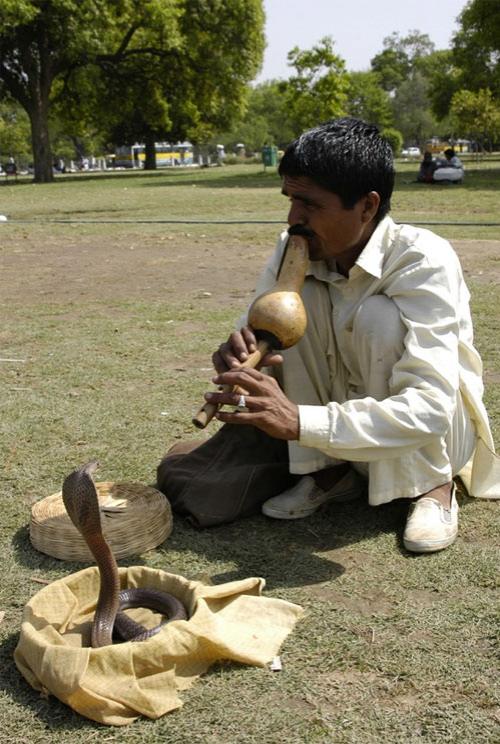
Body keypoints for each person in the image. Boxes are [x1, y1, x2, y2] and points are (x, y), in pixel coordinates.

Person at [159, 118, 499, 552]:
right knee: (291, 312)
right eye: (289, 200)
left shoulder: (421, 260)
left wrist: (299, 421)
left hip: (435, 436)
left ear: (367, 206)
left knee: (379, 316)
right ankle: (328, 471)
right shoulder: (294, 247)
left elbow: (431, 409)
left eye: (309, 204)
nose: (293, 219)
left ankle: (432, 486)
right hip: (342, 430)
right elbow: (262, 328)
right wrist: (244, 353)